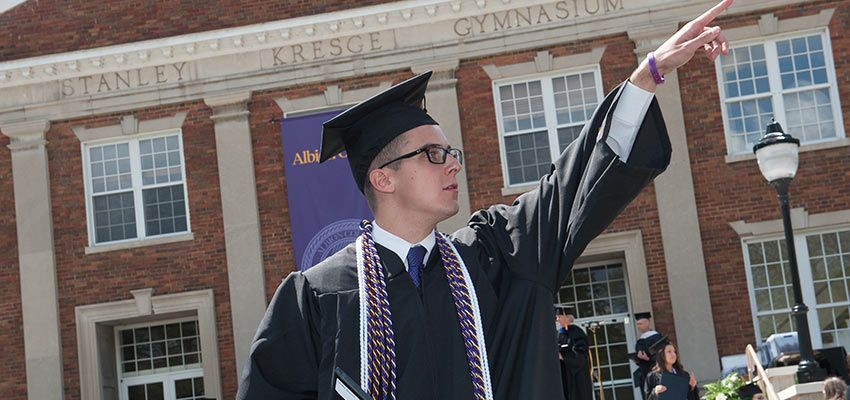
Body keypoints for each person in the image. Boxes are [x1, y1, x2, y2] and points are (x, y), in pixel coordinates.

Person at [237, 1, 733, 399]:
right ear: (384, 179)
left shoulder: (494, 257)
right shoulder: (316, 297)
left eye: (449, 151)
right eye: (433, 154)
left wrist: (644, 79)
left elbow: (567, 186)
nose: (453, 163)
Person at [556, 308, 592, 400]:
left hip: (576, 375)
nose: (557, 319)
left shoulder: (576, 331)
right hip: (565, 373)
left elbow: (581, 353)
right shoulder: (560, 333)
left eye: (559, 316)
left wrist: (563, 357)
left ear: (567, 318)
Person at [633, 312, 666, 399]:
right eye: (637, 324)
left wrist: (648, 359)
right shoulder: (640, 340)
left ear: (647, 323)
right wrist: (637, 359)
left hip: (656, 373)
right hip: (645, 374)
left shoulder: (657, 338)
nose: (638, 326)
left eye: (640, 324)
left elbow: (662, 355)